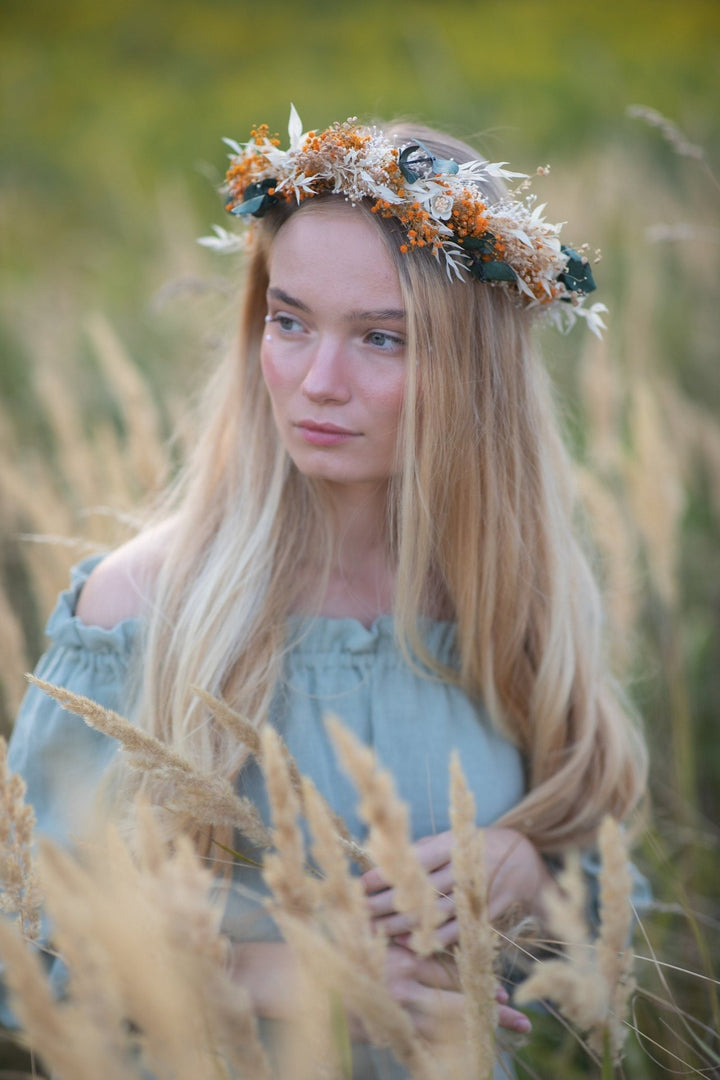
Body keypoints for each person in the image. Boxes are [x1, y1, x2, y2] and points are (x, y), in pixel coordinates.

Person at [7, 107, 647, 1074]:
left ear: (475, 370)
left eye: (383, 339)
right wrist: (281, 973)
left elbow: (617, 899)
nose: (317, 381)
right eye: (290, 322)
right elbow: (25, 947)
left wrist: (534, 873)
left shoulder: (516, 605)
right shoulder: (140, 609)